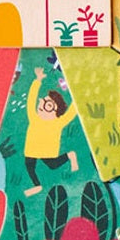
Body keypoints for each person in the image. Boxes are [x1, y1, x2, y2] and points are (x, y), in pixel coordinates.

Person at [23, 66, 79, 196]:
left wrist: (78, 97)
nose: (42, 106)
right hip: (31, 149)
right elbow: (31, 101)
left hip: (47, 151)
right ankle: (37, 186)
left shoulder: (58, 123)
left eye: (48, 106)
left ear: (56, 112)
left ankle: (70, 155)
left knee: (53, 165)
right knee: (29, 166)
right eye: (42, 102)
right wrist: (37, 81)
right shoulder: (34, 117)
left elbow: (71, 113)